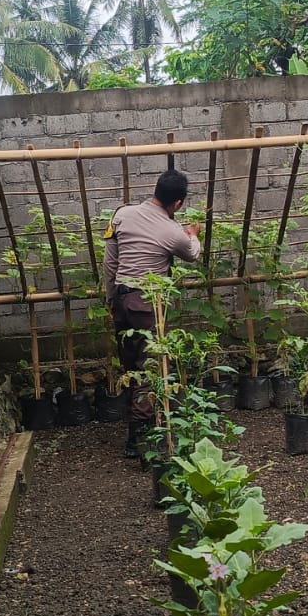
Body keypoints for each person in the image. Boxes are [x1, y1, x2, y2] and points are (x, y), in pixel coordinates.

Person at [103, 168, 202, 458]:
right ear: (178, 203)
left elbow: (110, 261)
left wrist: (111, 299)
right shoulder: (174, 233)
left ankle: (138, 424)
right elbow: (192, 254)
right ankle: (138, 439)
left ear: (155, 189)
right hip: (146, 305)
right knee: (151, 368)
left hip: (121, 299)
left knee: (131, 365)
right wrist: (193, 234)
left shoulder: (122, 214)